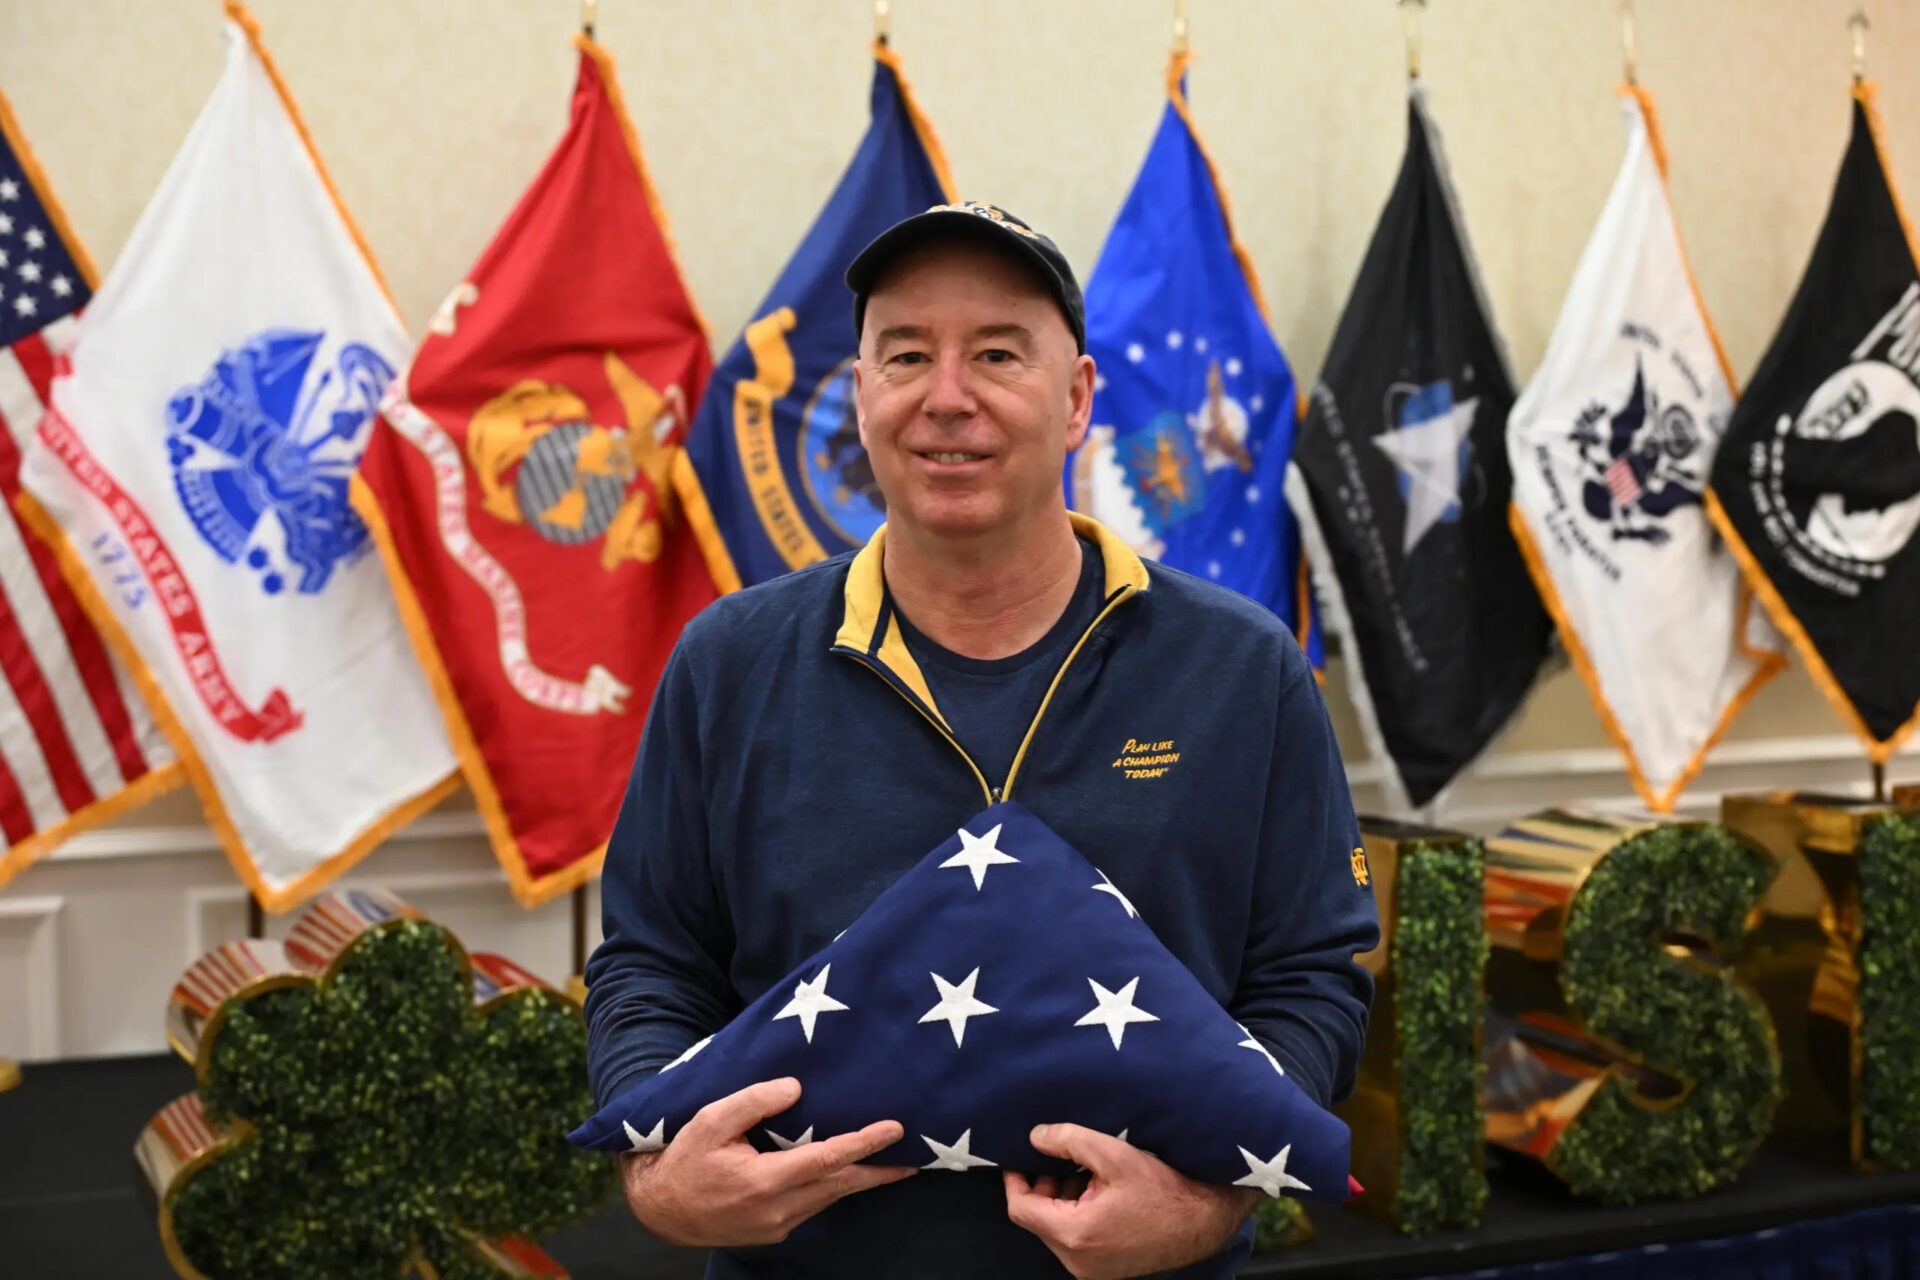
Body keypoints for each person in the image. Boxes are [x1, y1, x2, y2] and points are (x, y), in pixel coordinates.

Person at [583, 201, 1380, 1280]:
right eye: (905, 354)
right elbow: (650, 962)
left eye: (998, 353)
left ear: (1078, 399)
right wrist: (658, 1171)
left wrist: (1207, 1198)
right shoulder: (729, 661)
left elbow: (1310, 978)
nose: (946, 397)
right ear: (860, 397)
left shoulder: (1243, 668)